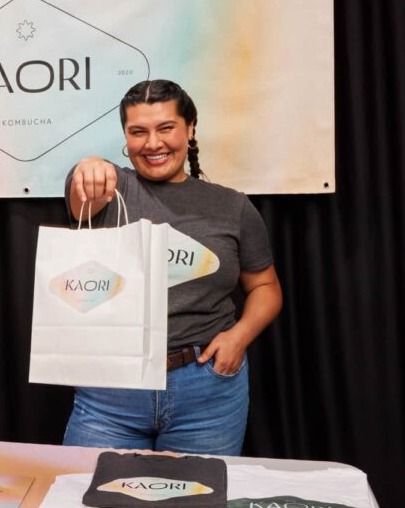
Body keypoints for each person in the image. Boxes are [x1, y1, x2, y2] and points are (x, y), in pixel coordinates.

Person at [62, 79, 282, 455]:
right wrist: (89, 167)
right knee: (90, 485)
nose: (153, 143)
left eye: (166, 128)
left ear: (190, 129)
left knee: (200, 488)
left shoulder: (232, 207)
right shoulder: (109, 190)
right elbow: (80, 193)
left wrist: (238, 337)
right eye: (138, 132)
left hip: (207, 388)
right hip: (111, 392)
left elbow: (266, 287)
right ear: (125, 136)